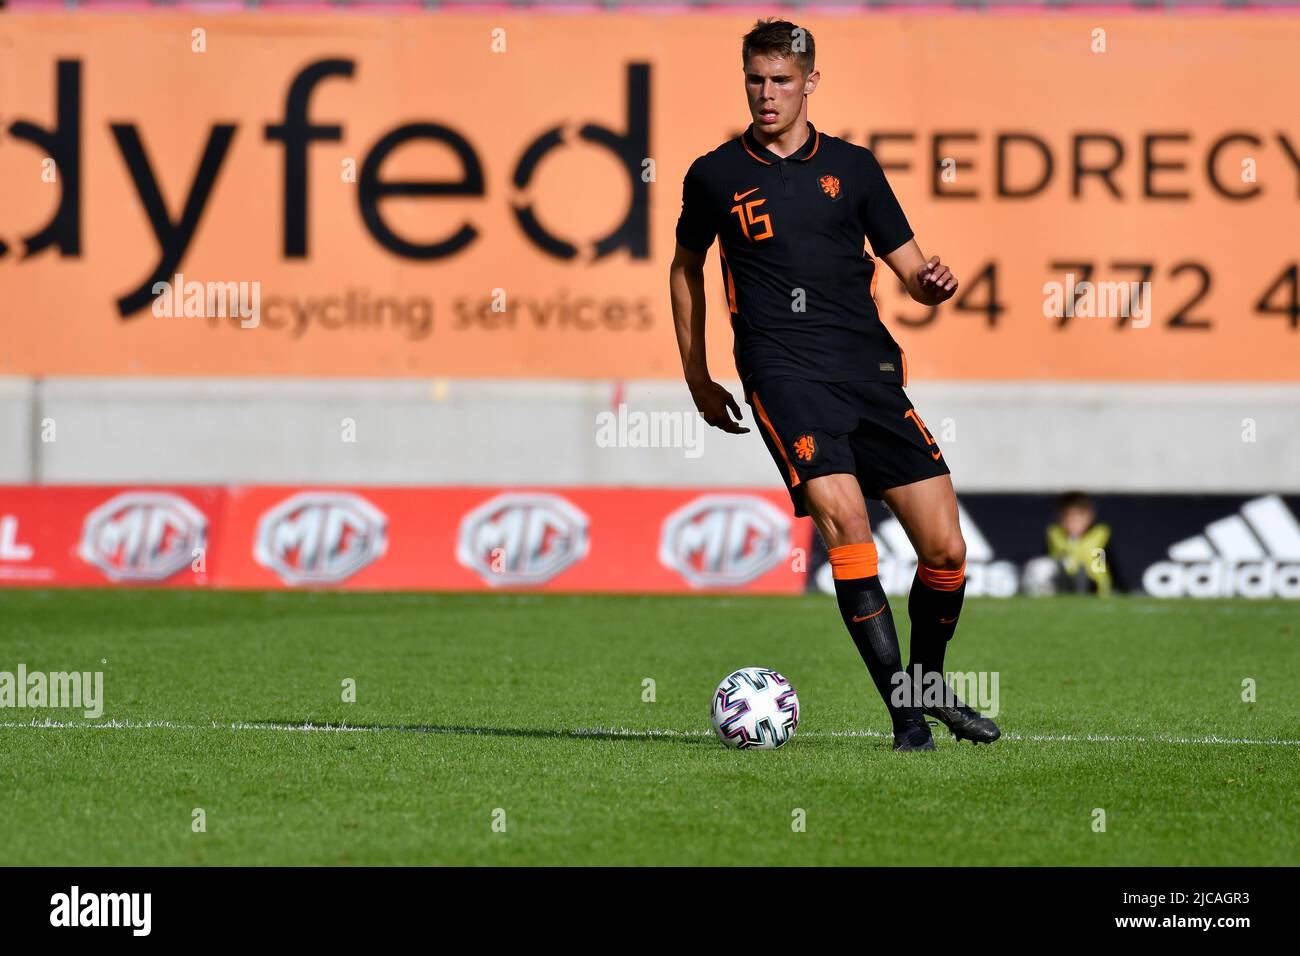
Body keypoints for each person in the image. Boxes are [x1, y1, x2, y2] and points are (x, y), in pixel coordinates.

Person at [667, 18, 999, 750]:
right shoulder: (715, 174)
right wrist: (698, 375)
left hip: (869, 373)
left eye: (781, 80)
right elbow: (685, 266)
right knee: (848, 528)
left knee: (945, 551)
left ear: (810, 82)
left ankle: (926, 683)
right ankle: (907, 719)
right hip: (783, 374)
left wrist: (934, 285)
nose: (767, 94)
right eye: (755, 79)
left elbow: (911, 269)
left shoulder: (854, 168)